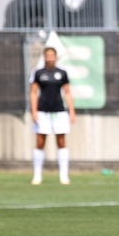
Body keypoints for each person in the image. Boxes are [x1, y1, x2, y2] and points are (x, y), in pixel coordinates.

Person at [29, 46, 76, 185]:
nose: (50, 58)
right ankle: (37, 175)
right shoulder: (38, 72)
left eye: (52, 56)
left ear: (55, 57)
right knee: (40, 141)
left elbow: (67, 92)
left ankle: (64, 175)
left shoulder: (62, 72)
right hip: (42, 111)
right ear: (45, 57)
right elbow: (33, 92)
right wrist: (34, 110)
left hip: (59, 111)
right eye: (48, 55)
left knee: (61, 141)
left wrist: (72, 110)